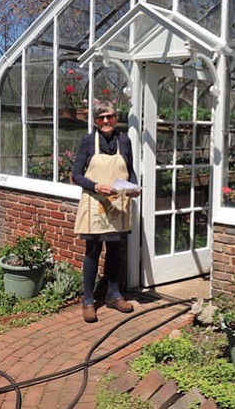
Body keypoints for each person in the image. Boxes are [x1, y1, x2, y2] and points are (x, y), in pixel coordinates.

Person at [72, 100, 140, 323]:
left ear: (116, 118)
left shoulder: (125, 141)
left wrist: (135, 189)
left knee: (114, 250)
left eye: (109, 116)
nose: (106, 121)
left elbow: (130, 172)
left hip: (118, 204)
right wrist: (95, 185)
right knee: (92, 251)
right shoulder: (88, 141)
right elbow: (76, 175)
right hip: (94, 205)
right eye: (101, 118)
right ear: (95, 121)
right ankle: (89, 300)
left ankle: (113, 295)